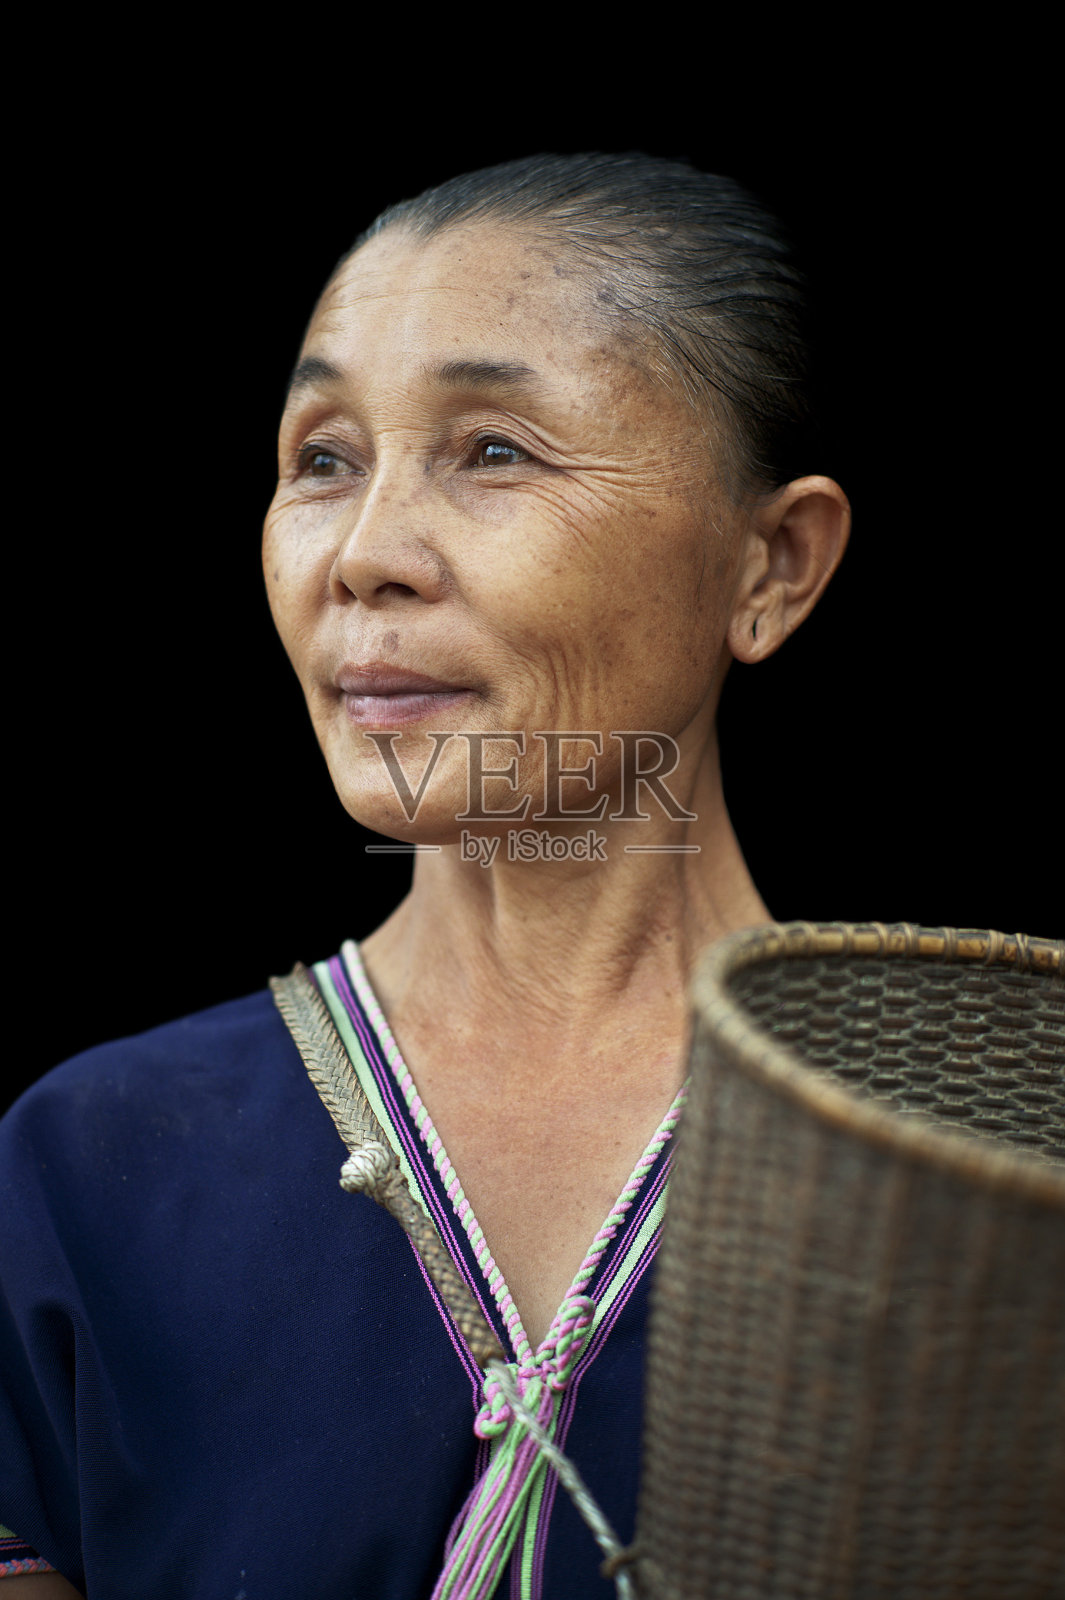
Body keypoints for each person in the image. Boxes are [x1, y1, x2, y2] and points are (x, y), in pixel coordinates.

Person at [0, 152, 850, 1599]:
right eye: (322, 458)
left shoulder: (973, 1154)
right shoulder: (89, 1169)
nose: (364, 555)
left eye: (494, 450)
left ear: (768, 566)